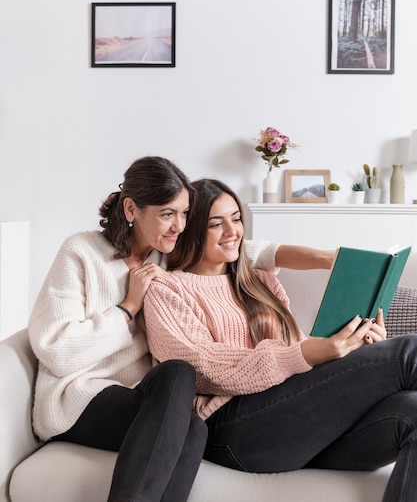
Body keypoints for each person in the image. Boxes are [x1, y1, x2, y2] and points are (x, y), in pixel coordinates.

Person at [28, 156, 333, 502]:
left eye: (185, 213)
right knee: (179, 382)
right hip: (79, 397)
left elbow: (251, 250)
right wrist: (128, 308)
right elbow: (57, 350)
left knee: (191, 422)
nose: (179, 226)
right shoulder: (81, 252)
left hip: (145, 397)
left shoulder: (167, 254)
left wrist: (327, 258)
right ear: (131, 209)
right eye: (167, 214)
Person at [144, 177, 417, 502]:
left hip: (291, 423)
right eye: (216, 224)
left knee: (412, 410)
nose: (233, 232)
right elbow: (200, 366)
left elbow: (297, 354)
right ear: (190, 229)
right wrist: (304, 354)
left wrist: (358, 347)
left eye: (236, 219)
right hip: (231, 428)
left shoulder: (260, 281)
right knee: (408, 351)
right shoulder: (167, 289)